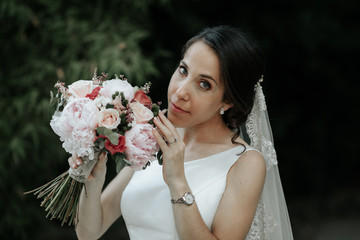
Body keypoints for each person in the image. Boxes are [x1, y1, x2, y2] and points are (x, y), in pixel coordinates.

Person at [69, 25, 293, 240]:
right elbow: (89, 233)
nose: (181, 91)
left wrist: (177, 180)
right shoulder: (150, 136)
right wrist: (93, 181)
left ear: (228, 100)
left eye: (204, 84)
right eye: (183, 70)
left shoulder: (246, 163)